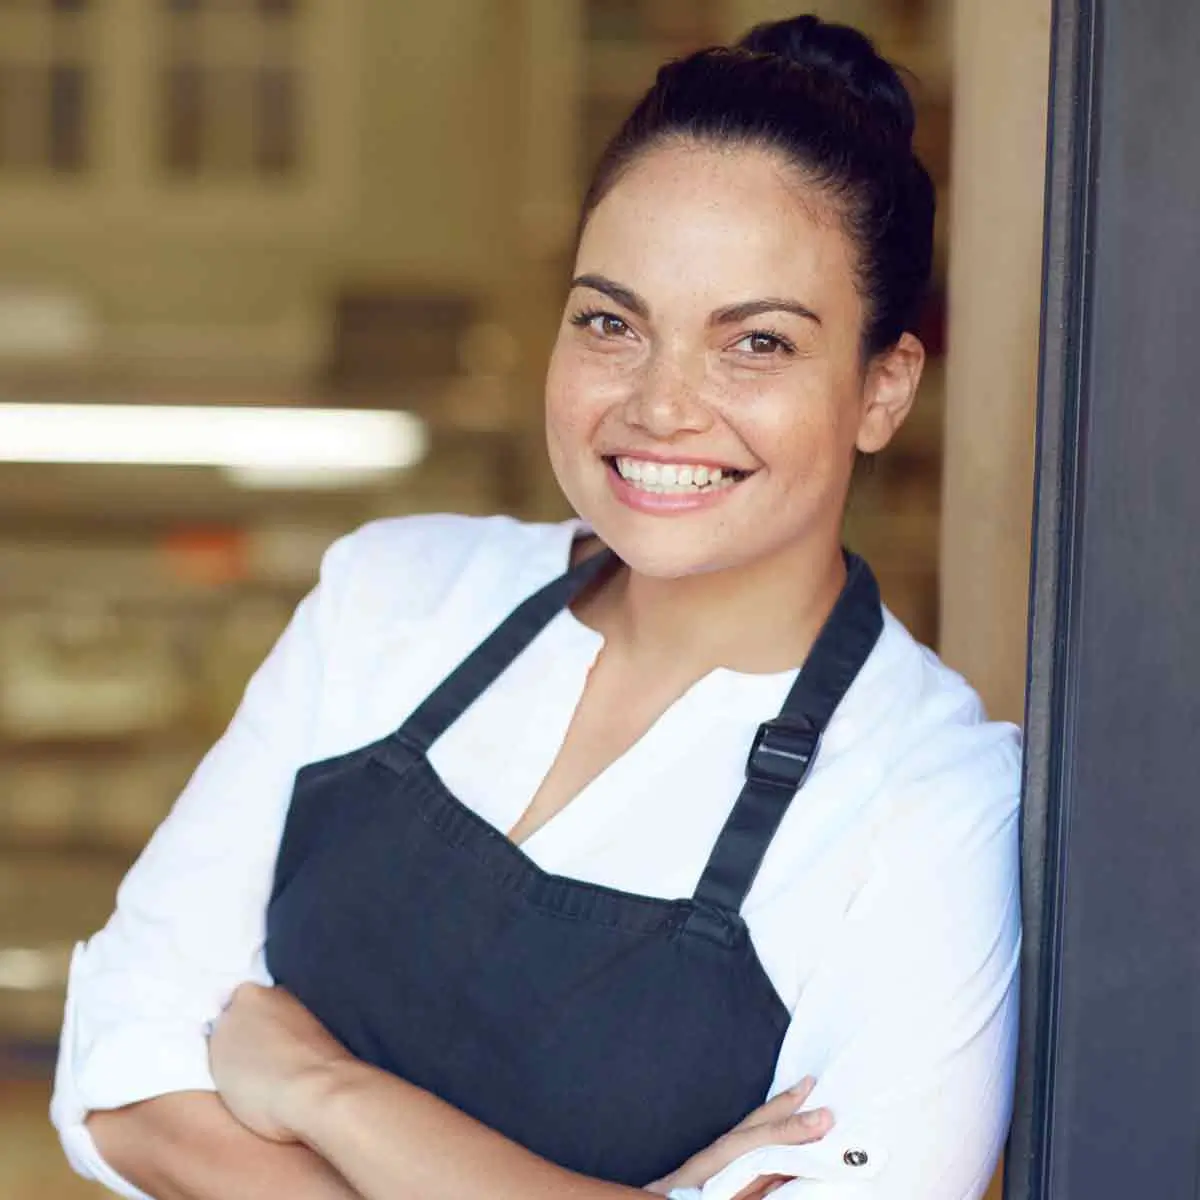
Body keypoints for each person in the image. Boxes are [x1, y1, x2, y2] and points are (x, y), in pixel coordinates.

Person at [51, 14, 1021, 1200]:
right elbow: (117, 1068)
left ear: (883, 388)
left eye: (755, 343)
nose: (661, 407)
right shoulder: (395, 596)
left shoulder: (930, 802)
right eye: (611, 322)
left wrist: (322, 1089)